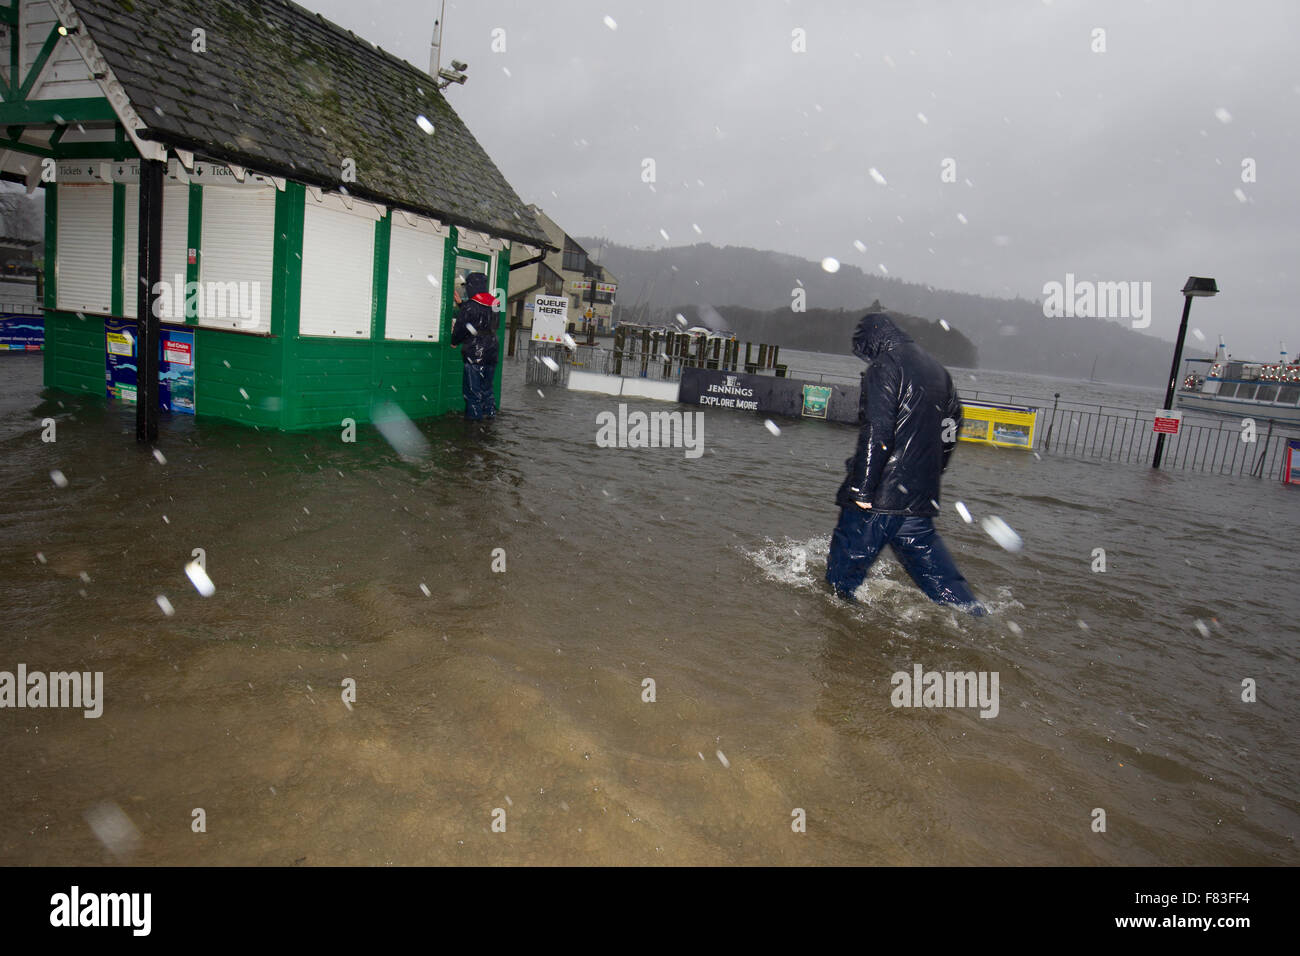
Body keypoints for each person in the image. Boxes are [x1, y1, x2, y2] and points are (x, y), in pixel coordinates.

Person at [826, 311, 986, 615]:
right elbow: (952, 428)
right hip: (917, 498)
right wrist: (931, 471)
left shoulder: (886, 366)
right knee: (943, 582)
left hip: (879, 498)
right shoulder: (938, 370)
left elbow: (878, 430)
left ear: (872, 341)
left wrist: (862, 490)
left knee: (839, 583)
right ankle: (976, 618)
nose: (866, 358)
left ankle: (842, 631)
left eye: (864, 351)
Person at [450, 272, 499, 420]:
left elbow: (461, 327)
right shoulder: (495, 303)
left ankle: (474, 426)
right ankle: (490, 419)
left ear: (472, 287)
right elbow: (489, 321)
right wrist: (461, 304)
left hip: (474, 352)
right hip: (492, 350)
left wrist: (454, 342)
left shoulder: (470, 306)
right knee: (487, 389)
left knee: (472, 392)